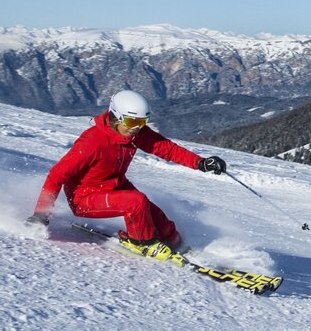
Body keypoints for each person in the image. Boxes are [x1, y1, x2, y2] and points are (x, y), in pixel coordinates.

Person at [29, 90, 227, 256]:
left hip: (115, 186)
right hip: (85, 197)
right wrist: (41, 214)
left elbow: (166, 148)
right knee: (135, 202)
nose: (137, 128)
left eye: (142, 122)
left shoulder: (133, 134)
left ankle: (176, 245)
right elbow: (56, 175)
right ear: (116, 117)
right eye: (133, 122)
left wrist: (201, 163)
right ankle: (142, 243)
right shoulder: (92, 142)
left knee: (161, 222)